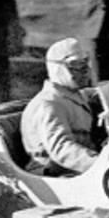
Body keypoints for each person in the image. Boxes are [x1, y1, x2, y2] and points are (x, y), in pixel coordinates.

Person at [20, 38, 100, 175]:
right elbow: (62, 150)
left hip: (77, 169)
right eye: (75, 65)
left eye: (86, 62)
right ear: (57, 68)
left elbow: (102, 93)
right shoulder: (48, 104)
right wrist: (101, 164)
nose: (84, 70)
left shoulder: (74, 94)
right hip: (53, 175)